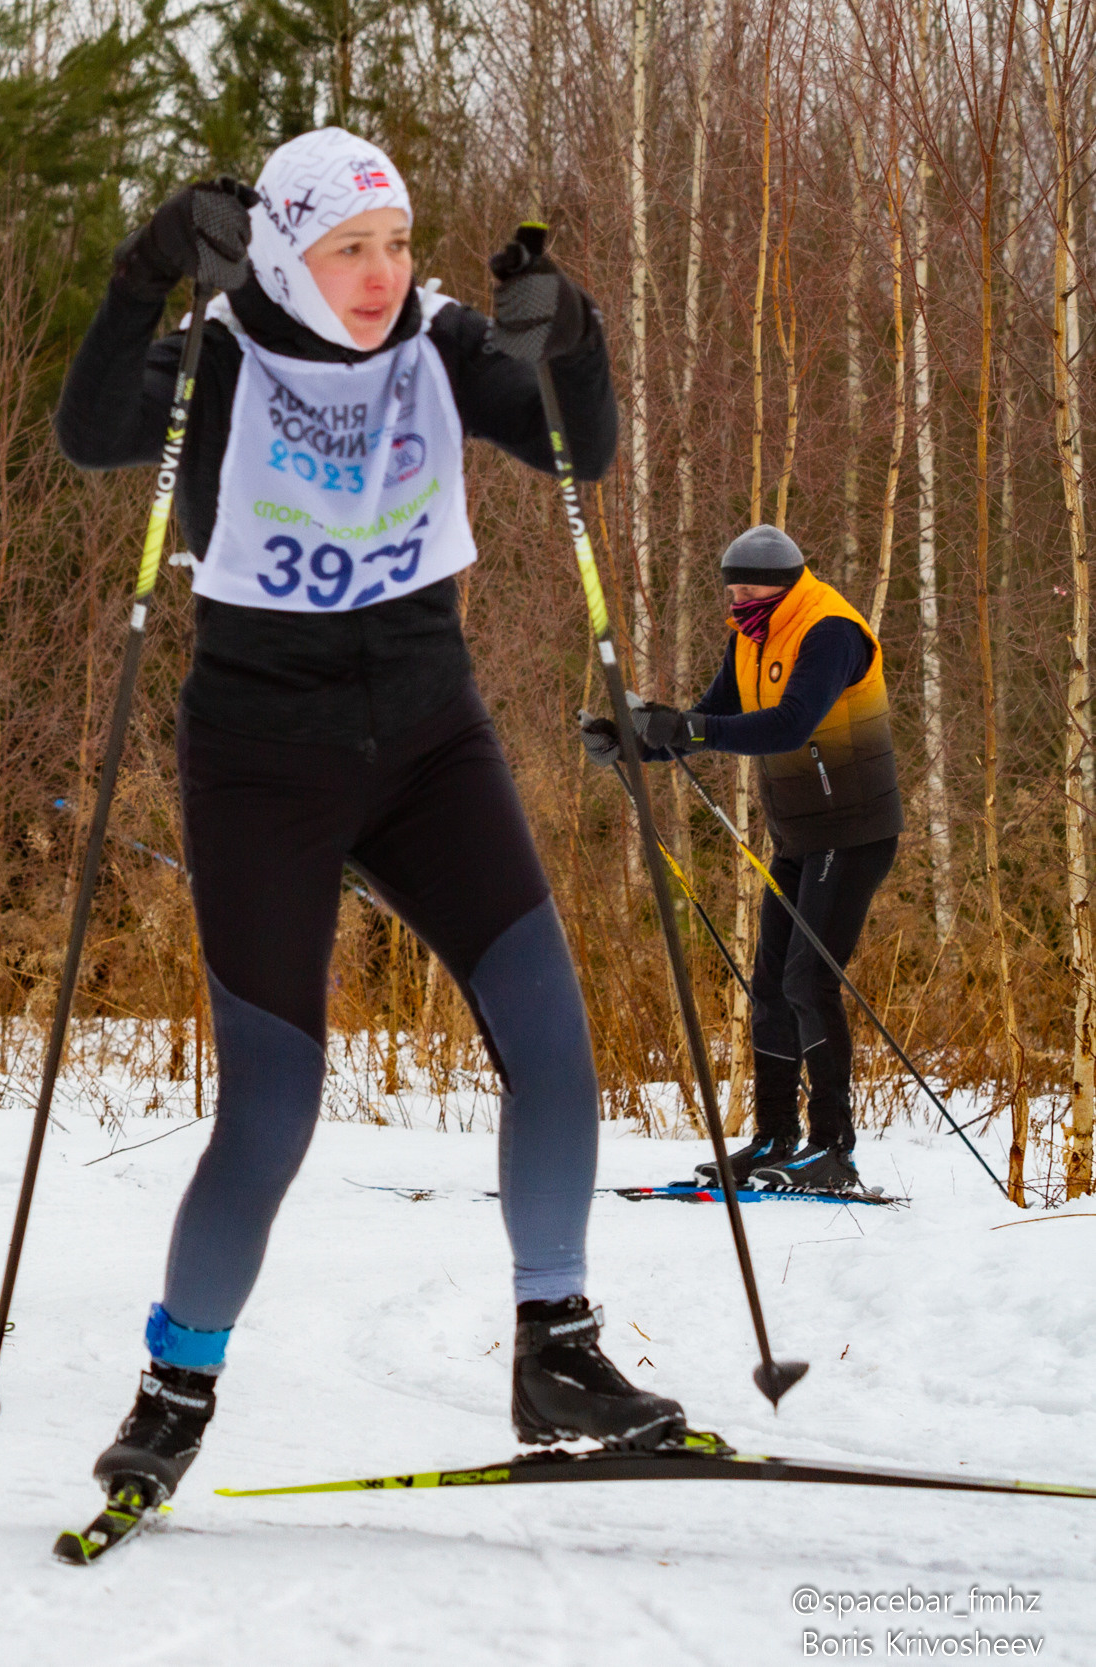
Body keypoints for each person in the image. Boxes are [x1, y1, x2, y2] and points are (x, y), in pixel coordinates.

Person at [52, 127, 685, 1510]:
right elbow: (92, 432)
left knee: (556, 1050)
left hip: (424, 735)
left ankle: (558, 1347)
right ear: (288, 245)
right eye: (350, 247)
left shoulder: (441, 342)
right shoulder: (224, 348)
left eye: (396, 242)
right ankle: (175, 1391)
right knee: (275, 1101)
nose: (382, 272)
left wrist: (570, 330)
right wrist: (140, 274)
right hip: (261, 755)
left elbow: (585, 446)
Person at [580, 525, 901, 1195]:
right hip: (798, 835)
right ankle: (775, 1137)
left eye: (749, 590)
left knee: (809, 981)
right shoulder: (752, 638)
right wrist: (637, 742)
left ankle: (833, 1148)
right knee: (771, 987)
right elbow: (710, 719)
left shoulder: (830, 631)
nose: (738, 602)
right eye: (730, 591)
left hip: (854, 828)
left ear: (784, 585)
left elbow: (789, 724)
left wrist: (688, 728)